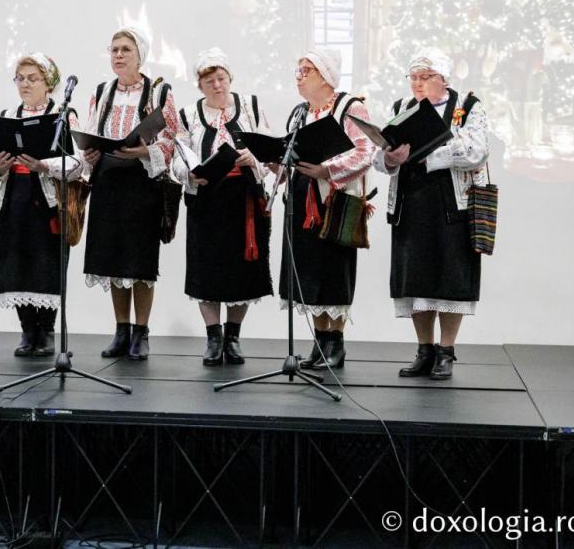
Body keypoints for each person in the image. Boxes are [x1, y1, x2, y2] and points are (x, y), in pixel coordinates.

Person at [376, 47, 490, 380]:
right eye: (413, 77)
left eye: (425, 77)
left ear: (444, 78)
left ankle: (446, 350)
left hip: (451, 206)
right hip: (411, 203)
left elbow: (477, 150)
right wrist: (390, 158)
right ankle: (424, 349)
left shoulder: (468, 106)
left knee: (450, 278)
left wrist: (428, 154)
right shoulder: (402, 107)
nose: (418, 83)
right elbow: (379, 155)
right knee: (416, 279)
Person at [81, 26, 180, 361]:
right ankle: (121, 330)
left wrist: (144, 151)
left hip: (141, 183)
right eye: (114, 50)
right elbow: (91, 132)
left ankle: (141, 332)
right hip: (108, 181)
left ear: (140, 56)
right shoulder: (101, 92)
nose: (119, 55)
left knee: (139, 262)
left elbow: (172, 139)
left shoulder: (159, 92)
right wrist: (90, 152)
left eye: (126, 49)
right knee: (112, 260)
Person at [276, 49, 376, 370]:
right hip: (302, 198)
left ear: (325, 75)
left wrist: (327, 170)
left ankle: (336, 342)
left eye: (307, 70)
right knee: (309, 271)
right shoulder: (300, 112)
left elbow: (365, 152)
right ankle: (320, 342)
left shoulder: (350, 107)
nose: (300, 76)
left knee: (333, 270)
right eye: (299, 70)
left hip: (334, 200)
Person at [172, 48, 272, 366]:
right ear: (199, 85)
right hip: (207, 201)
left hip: (244, 201)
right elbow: (178, 157)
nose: (217, 86)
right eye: (209, 81)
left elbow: (270, 150)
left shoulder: (250, 107)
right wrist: (189, 172)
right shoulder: (188, 114)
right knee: (207, 270)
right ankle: (213, 338)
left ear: (230, 78)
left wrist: (253, 158)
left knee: (242, 271)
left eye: (221, 78)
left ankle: (233, 337)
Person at [0, 53, 82, 357]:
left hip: (48, 201)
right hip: (14, 196)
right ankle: (27, 330)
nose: (25, 84)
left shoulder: (63, 115)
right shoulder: (8, 115)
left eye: (33, 78)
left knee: (46, 264)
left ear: (49, 82)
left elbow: (78, 164)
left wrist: (44, 166)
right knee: (16, 263)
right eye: (20, 78)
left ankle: (46, 331)